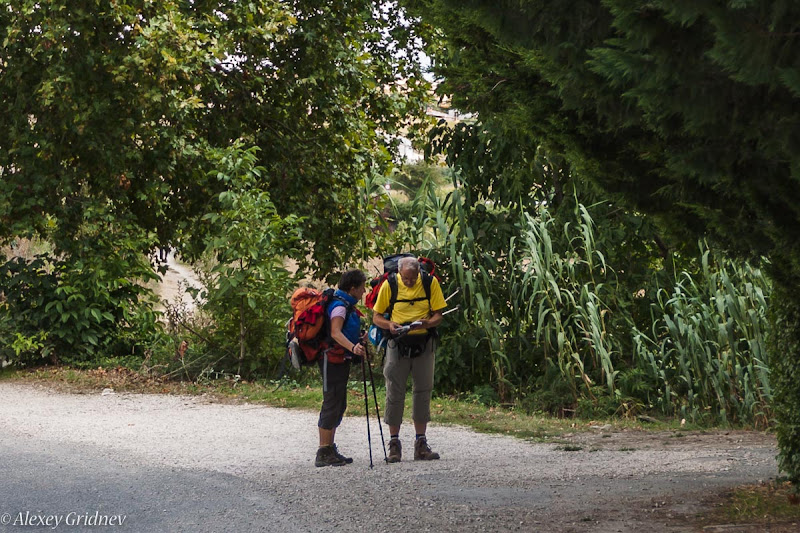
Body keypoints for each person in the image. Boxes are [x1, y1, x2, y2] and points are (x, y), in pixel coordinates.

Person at [371, 256, 447, 462]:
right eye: (406, 279)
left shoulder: (430, 283)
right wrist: (390, 325)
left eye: (413, 279)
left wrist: (427, 323)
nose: (410, 282)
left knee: (423, 390)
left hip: (424, 342)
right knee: (394, 391)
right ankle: (394, 444)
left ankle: (421, 443)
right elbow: (376, 316)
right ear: (399, 273)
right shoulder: (390, 284)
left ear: (419, 273)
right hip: (398, 343)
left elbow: (439, 315)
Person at [315, 268, 368, 467]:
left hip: (340, 359)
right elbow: (336, 333)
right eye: (361, 288)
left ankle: (329, 448)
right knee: (332, 402)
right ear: (352, 288)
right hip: (331, 359)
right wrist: (353, 347)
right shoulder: (340, 306)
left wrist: (358, 339)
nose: (363, 291)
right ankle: (323, 450)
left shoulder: (346, 304)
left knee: (338, 402)